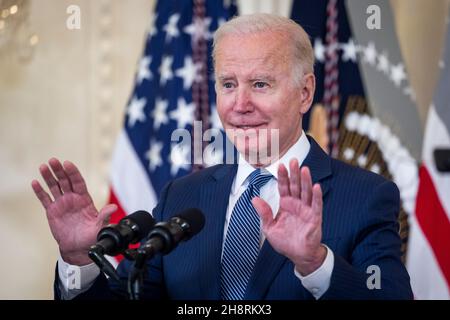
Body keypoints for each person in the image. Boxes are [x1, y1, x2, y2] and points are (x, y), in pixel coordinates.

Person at [32, 13, 413, 300]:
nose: (240, 104)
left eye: (260, 84)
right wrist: (78, 258)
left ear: (305, 92)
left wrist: (315, 263)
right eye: (228, 85)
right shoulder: (182, 196)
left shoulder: (366, 195)